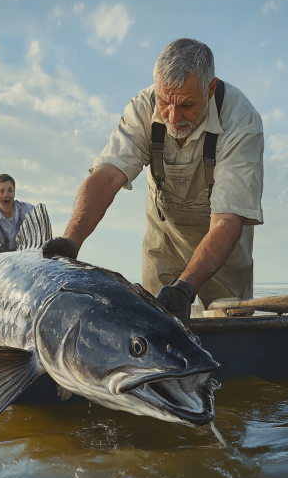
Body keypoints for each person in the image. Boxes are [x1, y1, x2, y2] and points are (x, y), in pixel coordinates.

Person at [43, 38, 264, 327]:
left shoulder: (242, 121)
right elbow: (107, 176)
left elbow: (226, 222)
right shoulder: (143, 107)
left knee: (231, 332)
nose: (173, 117)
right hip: (164, 243)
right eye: (164, 102)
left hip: (222, 250)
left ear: (210, 89)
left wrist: (186, 288)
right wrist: (71, 241)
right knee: (151, 332)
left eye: (186, 104)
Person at [0, 174, 34, 252]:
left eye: (10, 190)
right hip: (5, 263)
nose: (6, 195)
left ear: (14, 192)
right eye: (1, 191)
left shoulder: (29, 211)